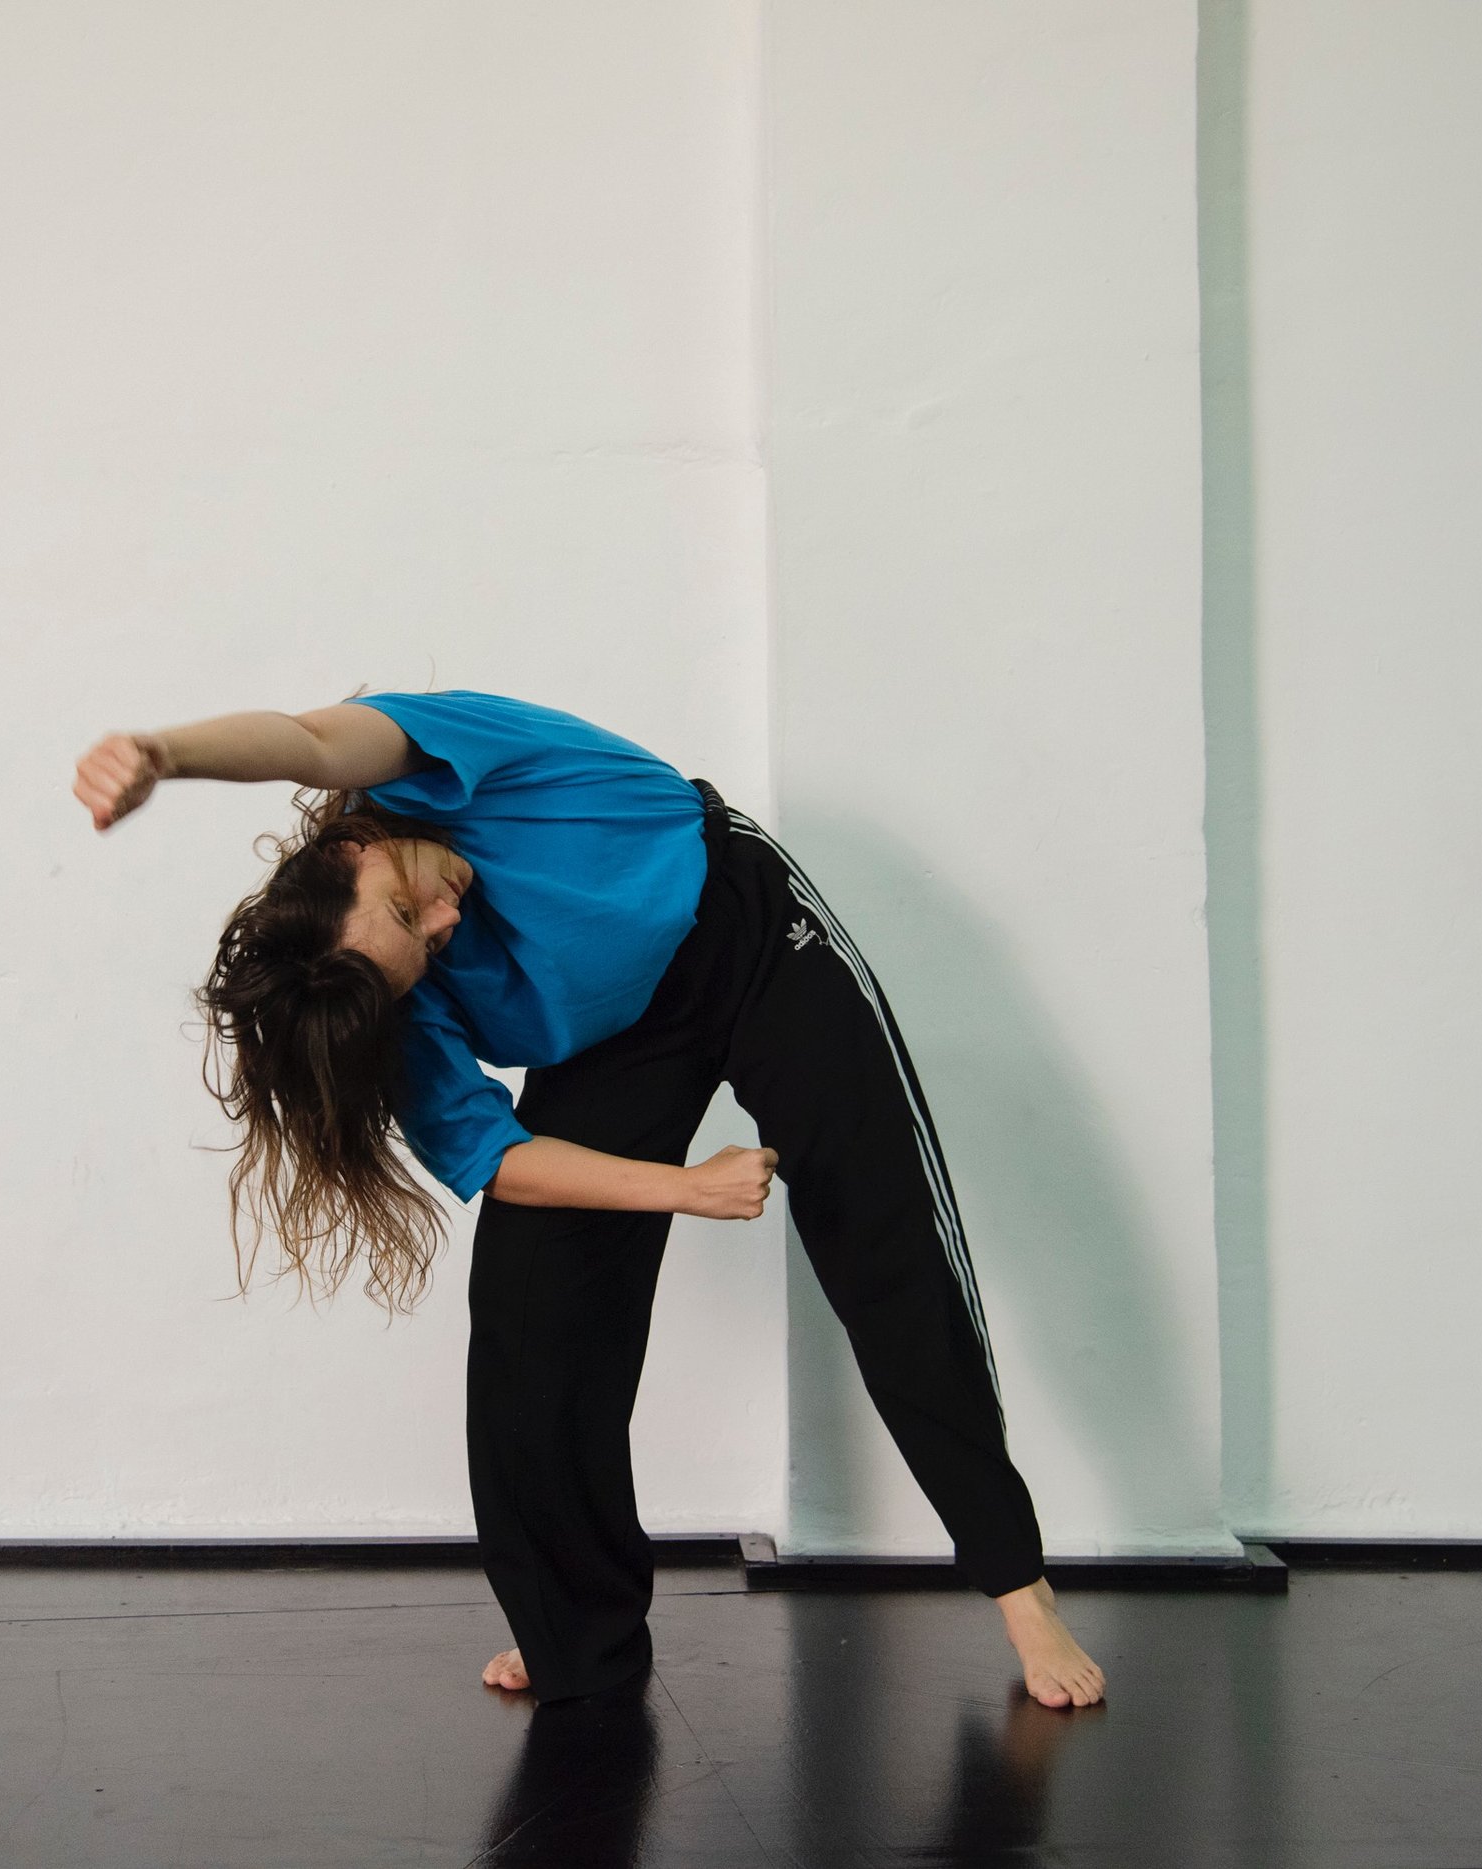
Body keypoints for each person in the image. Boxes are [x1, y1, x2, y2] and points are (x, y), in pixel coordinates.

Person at [69, 691, 1106, 1709]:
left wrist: (165, 752)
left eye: (410, 909)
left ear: (351, 848)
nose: (446, 920)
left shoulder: (430, 764)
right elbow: (502, 1159)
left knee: (882, 1232)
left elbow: (304, 739)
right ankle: (575, 1637)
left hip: (741, 924)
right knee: (534, 1303)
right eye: (426, 945)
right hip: (615, 1039)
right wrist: (683, 1189)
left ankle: (1020, 1587)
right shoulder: (390, 992)